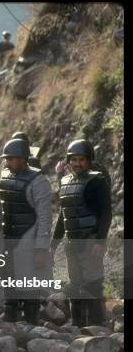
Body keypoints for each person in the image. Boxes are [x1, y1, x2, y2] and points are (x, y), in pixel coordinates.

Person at [0, 139, 52, 325]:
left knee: (29, 284)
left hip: (29, 238)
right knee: (8, 281)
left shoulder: (39, 181)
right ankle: (10, 323)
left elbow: (44, 218)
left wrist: (41, 248)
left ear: (23, 158)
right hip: (8, 238)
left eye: (11, 158)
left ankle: (32, 324)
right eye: (6, 158)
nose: (7, 162)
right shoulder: (5, 178)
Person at [51, 139, 112, 327]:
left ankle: (97, 328)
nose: (78, 164)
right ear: (69, 161)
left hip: (90, 241)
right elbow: (64, 215)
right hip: (72, 243)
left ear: (89, 160)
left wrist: (99, 241)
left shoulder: (97, 181)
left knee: (92, 285)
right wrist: (54, 242)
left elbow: (105, 213)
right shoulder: (65, 181)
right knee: (75, 285)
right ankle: (77, 327)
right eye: (74, 159)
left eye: (82, 160)